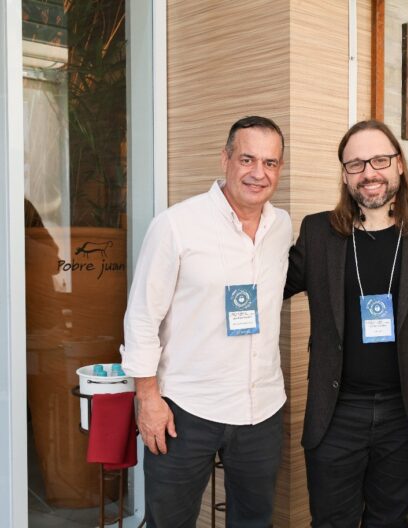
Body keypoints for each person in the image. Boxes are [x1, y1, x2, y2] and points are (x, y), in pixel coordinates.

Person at [285, 120, 408, 527]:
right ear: (344, 175)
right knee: (331, 521)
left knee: (388, 521)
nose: (369, 173)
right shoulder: (318, 232)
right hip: (336, 411)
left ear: (399, 164)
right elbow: (270, 285)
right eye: (356, 164)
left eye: (380, 160)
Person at [121, 116, 291, 527]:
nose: (258, 173)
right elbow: (142, 316)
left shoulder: (281, 226)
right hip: (185, 410)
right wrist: (148, 399)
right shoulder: (176, 225)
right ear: (225, 159)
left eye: (270, 163)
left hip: (262, 409)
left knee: (255, 520)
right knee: (170, 521)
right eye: (247, 159)